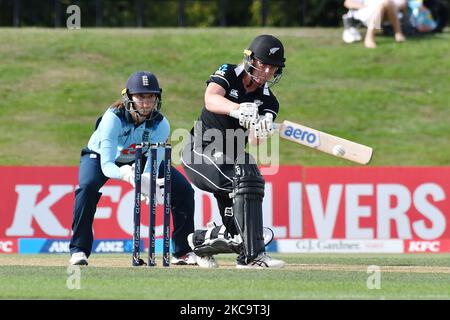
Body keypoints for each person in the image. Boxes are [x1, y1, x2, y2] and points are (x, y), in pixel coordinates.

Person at [69, 71, 197, 266]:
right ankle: (79, 250)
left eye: (151, 97)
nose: (146, 103)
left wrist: (146, 179)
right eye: (140, 97)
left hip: (140, 158)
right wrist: (127, 175)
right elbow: (107, 165)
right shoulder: (113, 118)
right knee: (86, 188)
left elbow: (152, 164)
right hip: (101, 157)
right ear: (128, 98)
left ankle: (183, 252)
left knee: (183, 191)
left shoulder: (161, 125)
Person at [181, 34, 286, 269]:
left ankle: (200, 242)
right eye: (263, 64)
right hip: (198, 152)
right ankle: (253, 255)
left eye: (273, 68)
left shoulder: (269, 101)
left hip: (230, 162)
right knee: (244, 178)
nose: (267, 72)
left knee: (237, 235)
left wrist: (262, 128)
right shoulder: (229, 72)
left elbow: (255, 140)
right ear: (250, 59)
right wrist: (238, 109)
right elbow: (211, 99)